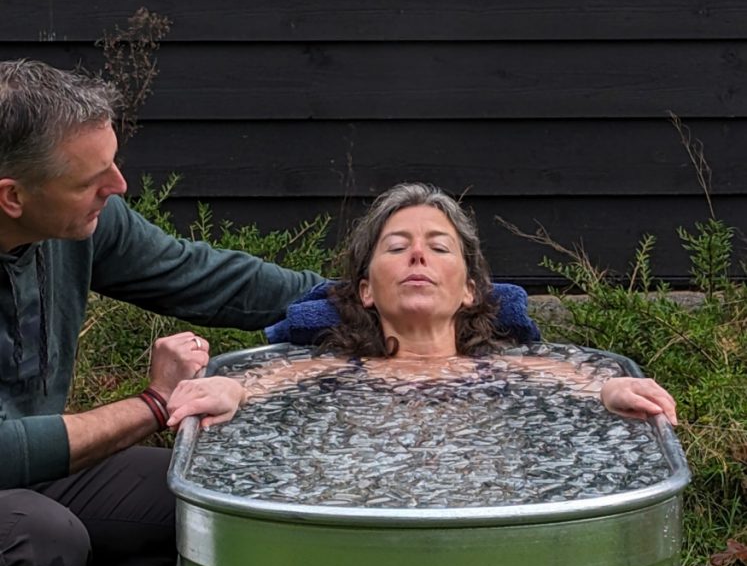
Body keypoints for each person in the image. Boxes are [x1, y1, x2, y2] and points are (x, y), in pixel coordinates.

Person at [0, 59, 323, 566]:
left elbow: (204, 276)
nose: (118, 188)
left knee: (205, 506)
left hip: (19, 475)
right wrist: (154, 402)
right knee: (41, 538)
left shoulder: (79, 226)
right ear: (11, 196)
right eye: (94, 180)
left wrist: (366, 298)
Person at [167, 182, 678, 426]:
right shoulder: (335, 369)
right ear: (366, 289)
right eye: (396, 247)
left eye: (438, 248)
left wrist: (615, 387)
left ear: (470, 289)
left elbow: (582, 381)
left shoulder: (504, 368)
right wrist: (226, 388)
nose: (417, 255)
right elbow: (260, 383)